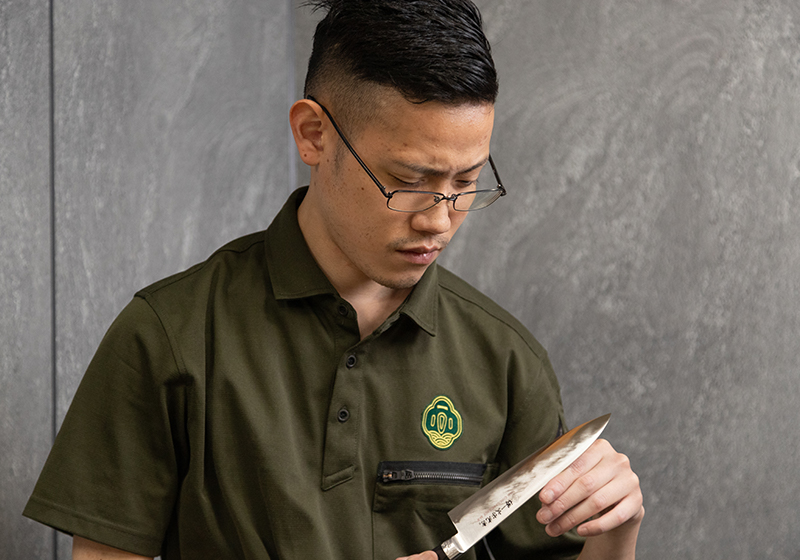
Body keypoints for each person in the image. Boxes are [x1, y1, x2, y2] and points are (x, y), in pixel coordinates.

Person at [24, 0, 644, 558]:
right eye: (409, 181)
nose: (439, 221)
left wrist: (616, 532)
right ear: (313, 134)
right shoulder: (167, 337)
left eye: (466, 183)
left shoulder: (505, 359)